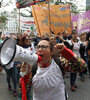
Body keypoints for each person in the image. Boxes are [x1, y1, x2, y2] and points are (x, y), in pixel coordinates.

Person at [19, 37, 86, 100]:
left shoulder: (59, 62)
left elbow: (82, 66)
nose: (39, 49)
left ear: (52, 51)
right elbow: (23, 89)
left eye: (44, 47)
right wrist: (25, 75)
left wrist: (65, 51)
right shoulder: (32, 68)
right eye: (38, 47)